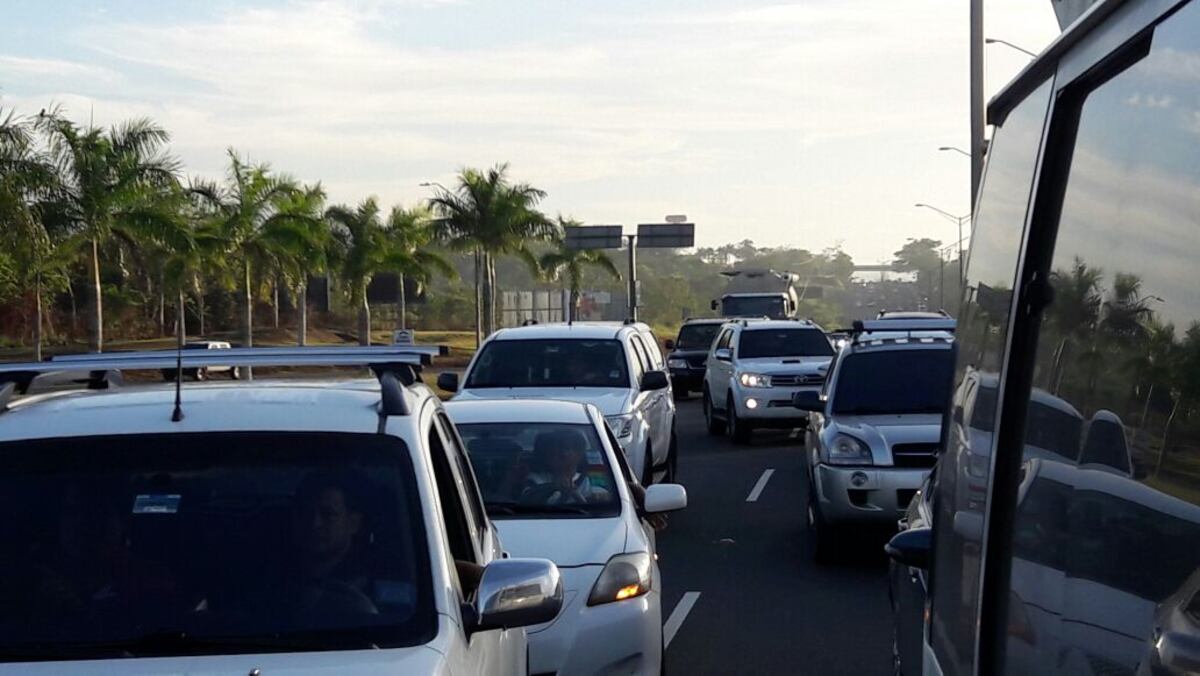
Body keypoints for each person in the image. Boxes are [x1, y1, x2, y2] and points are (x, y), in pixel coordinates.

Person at [521, 429, 611, 504]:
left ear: (579, 454)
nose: (557, 453)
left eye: (564, 448)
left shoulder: (592, 481)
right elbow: (528, 503)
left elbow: (603, 507)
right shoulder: (535, 480)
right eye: (552, 449)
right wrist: (556, 491)